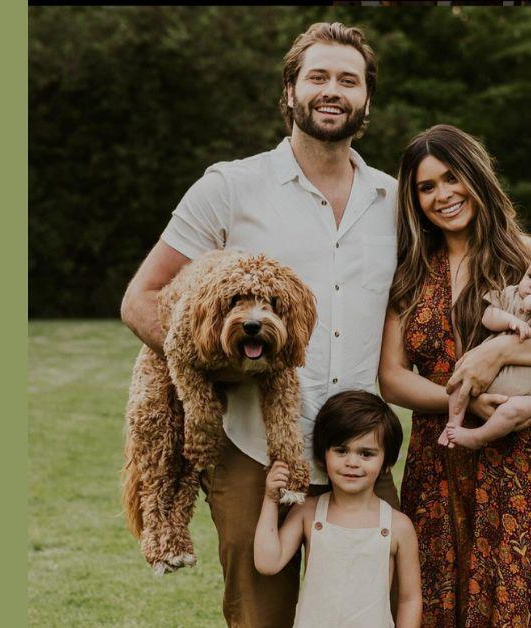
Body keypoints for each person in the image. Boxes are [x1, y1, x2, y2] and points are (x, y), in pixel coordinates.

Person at [119, 22, 401, 627]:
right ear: (290, 91)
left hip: (359, 447)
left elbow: (483, 244)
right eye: (317, 77)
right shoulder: (229, 187)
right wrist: (231, 367)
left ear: (367, 100)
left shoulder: (395, 201)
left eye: (348, 80)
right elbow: (141, 299)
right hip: (248, 445)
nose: (332, 90)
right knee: (260, 616)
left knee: (366, 613)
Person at [378, 124, 531, 626]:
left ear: (476, 176)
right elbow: (392, 379)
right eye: (426, 186)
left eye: (451, 177)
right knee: (437, 604)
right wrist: (457, 397)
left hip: (518, 459)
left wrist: (499, 351)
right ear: (413, 199)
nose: (443, 194)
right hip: (439, 451)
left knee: (515, 603)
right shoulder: (410, 272)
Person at [254, 391, 422, 628]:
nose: (352, 462)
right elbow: (267, 563)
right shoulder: (308, 512)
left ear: (386, 463)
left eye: (366, 454)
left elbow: (409, 599)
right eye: (341, 450)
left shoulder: (398, 526)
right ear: (323, 456)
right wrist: (271, 499)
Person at [441, 243, 531, 450]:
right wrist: (510, 321)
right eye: (530, 276)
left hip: (530, 397)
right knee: (460, 375)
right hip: (487, 378)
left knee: (514, 410)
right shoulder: (511, 294)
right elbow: (488, 317)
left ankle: (478, 437)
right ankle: (453, 425)